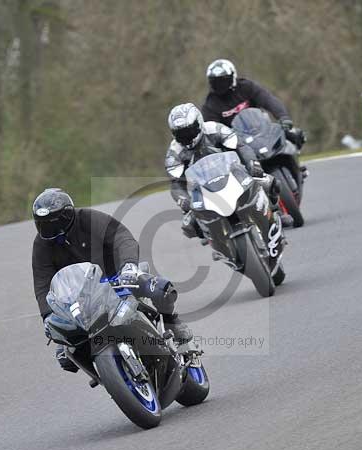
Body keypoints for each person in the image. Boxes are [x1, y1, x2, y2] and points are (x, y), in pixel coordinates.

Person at [31, 188, 194, 373]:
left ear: (69, 214)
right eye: (44, 225)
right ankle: (108, 373)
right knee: (66, 354)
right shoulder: (42, 244)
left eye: (57, 222)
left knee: (160, 289)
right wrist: (48, 316)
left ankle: (172, 321)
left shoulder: (88, 218)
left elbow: (122, 237)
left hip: (118, 276)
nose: (53, 229)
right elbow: (42, 282)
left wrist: (128, 266)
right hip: (82, 296)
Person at [164, 103, 292, 239]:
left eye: (189, 131)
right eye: (181, 134)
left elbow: (240, 146)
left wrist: (252, 164)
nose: (187, 137)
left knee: (269, 182)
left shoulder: (215, 129)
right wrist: (183, 200)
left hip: (234, 174)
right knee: (189, 224)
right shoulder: (174, 152)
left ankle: (276, 213)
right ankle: (213, 237)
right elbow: (176, 183)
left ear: (199, 123)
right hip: (203, 190)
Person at [201, 58, 305, 148]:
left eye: (223, 80)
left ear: (233, 77)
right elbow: (212, 129)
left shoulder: (246, 87)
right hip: (237, 144)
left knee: (295, 135)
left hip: (262, 131)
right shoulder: (210, 105)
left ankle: (296, 164)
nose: (220, 85)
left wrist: (283, 117)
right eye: (215, 82)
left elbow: (268, 100)